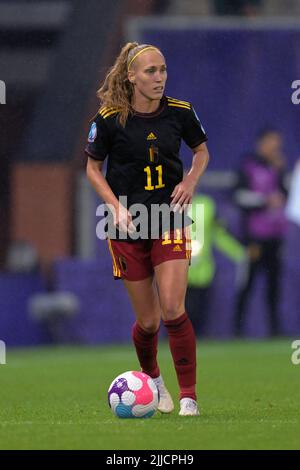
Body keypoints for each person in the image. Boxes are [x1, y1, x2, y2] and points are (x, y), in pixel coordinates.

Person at [85, 42, 209, 416]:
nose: (159, 78)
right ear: (131, 76)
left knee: (173, 309)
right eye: (151, 71)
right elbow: (92, 168)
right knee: (149, 320)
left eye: (163, 70)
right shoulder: (109, 120)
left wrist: (189, 182)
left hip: (169, 219)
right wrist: (115, 206)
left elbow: (202, 152)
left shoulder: (181, 113)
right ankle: (152, 379)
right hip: (127, 226)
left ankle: (189, 396)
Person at [233, 128, 288, 337]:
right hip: (254, 238)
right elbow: (238, 196)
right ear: (262, 143)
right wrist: (264, 201)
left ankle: (275, 330)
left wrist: (282, 175)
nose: (276, 148)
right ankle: (237, 331)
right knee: (247, 284)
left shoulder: (278, 167)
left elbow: (285, 197)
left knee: (274, 286)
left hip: (275, 237)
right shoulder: (248, 165)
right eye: (272, 143)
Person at [186, 193, 246, 336]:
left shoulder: (206, 205)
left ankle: (195, 342)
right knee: (177, 311)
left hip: (202, 271)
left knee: (197, 310)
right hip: (175, 271)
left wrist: (239, 252)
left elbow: (219, 234)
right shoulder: (167, 206)